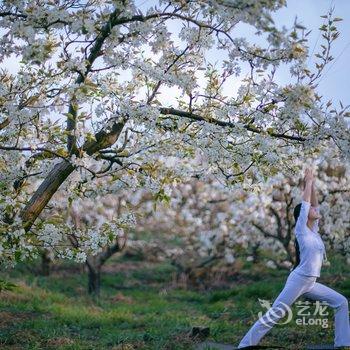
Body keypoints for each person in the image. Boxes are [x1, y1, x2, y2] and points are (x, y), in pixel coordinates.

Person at [237, 167, 350, 349]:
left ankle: (343, 343)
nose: (314, 208)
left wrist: (313, 183)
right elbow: (306, 204)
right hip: (299, 280)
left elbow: (314, 203)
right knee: (276, 313)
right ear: (304, 216)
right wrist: (307, 182)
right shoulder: (302, 231)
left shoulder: (314, 231)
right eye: (311, 209)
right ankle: (244, 345)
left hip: (311, 283)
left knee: (341, 302)